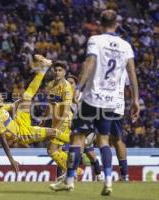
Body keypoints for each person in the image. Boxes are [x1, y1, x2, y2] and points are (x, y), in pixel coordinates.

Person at [55, 10, 140, 195]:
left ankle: (69, 181)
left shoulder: (96, 40)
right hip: (111, 101)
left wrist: (78, 87)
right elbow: (132, 72)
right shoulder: (126, 46)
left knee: (77, 138)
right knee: (104, 140)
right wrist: (135, 99)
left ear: (100, 24)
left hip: (92, 97)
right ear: (116, 25)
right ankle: (108, 180)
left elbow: (90, 62)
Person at [0, 55, 69, 172]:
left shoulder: (0, 107)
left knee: (27, 95)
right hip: (23, 133)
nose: (1, 96)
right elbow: (3, 140)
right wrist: (11, 160)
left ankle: (44, 67)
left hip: (19, 122)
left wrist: (25, 99)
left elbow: (15, 104)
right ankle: (79, 143)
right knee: (54, 132)